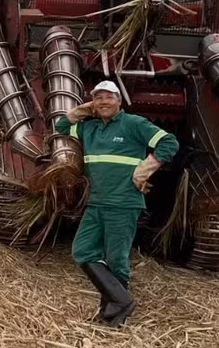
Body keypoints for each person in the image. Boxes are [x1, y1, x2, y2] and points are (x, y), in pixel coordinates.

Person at [54, 80, 180, 328]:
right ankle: (120, 301)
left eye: (109, 97)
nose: (104, 102)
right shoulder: (88, 128)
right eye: (98, 98)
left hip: (123, 203)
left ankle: (112, 313)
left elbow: (169, 143)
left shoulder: (134, 124)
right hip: (96, 203)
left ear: (119, 101)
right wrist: (80, 111)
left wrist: (145, 169)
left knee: (116, 259)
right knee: (82, 251)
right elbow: (60, 127)